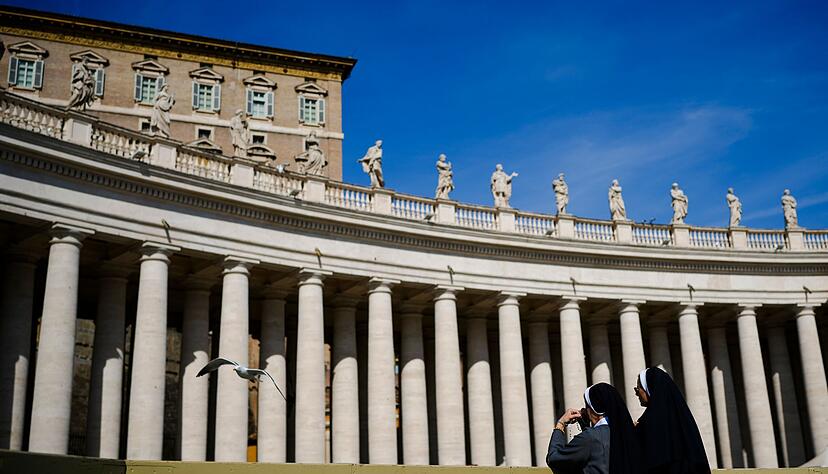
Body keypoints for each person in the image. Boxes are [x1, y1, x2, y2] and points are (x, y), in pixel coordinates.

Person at [546, 382, 641, 474]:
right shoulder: (627, 431)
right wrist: (586, 426)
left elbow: (554, 459)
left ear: (593, 409)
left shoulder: (590, 437)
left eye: (587, 406)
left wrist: (561, 424)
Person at [635, 367, 710, 474]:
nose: (636, 394)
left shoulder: (649, 422)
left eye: (637, 389)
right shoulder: (681, 419)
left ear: (649, 388)